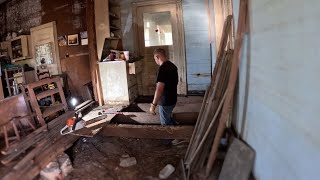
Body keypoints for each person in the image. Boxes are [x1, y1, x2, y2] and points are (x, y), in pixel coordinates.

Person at [149, 48, 178, 127]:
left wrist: (153, 105)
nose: (155, 61)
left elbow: (159, 89)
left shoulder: (162, 69)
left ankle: (174, 138)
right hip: (173, 99)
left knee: (165, 124)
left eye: (155, 58)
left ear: (157, 57)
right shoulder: (173, 66)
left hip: (165, 101)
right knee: (168, 117)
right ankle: (176, 130)